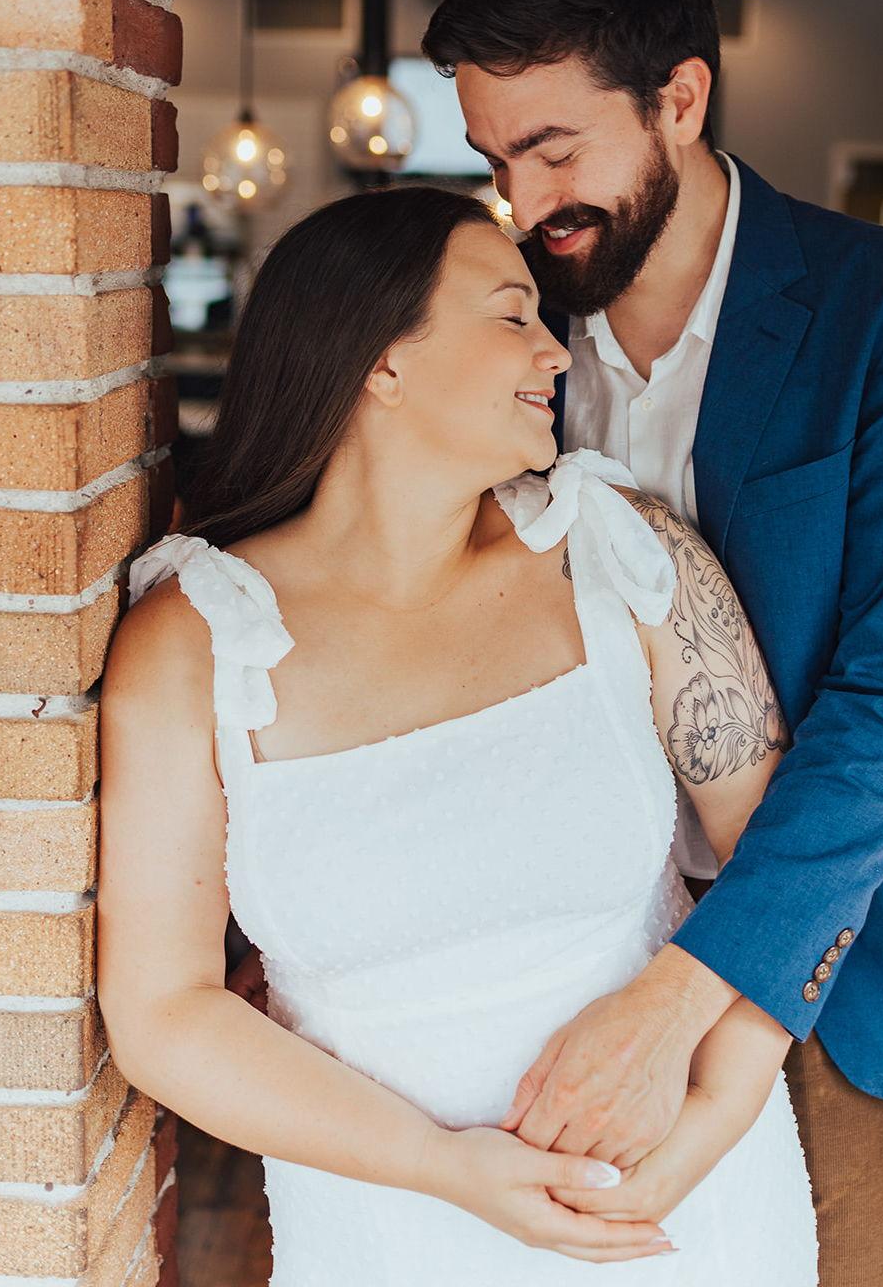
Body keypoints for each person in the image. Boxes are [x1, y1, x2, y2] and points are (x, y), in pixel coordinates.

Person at [413, 0, 883, 1287]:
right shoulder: (494, 323)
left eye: (555, 152)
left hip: (804, 957)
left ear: (679, 98)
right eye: (497, 162)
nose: (524, 208)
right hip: (522, 954)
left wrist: (695, 991)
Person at [96, 186, 818, 1283]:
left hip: (684, 1212)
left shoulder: (617, 552)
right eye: (511, 315)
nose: (555, 352)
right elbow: (162, 1012)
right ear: (381, 363)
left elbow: (791, 857)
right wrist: (442, 1167)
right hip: (386, 1232)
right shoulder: (196, 644)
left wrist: (717, 1106)